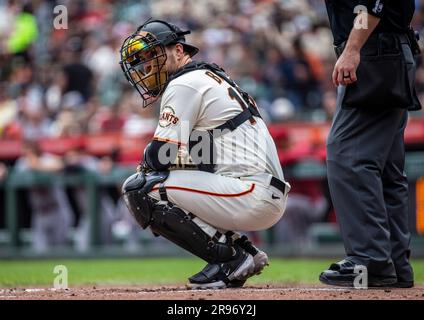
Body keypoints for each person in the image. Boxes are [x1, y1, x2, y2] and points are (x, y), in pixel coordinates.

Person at [119, 19, 290, 289]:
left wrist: (147, 168)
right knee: (166, 179)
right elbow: (202, 162)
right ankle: (243, 253)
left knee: (140, 189)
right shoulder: (208, 78)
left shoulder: (185, 82)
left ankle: (231, 259)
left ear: (178, 51)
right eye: (142, 60)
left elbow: (160, 154)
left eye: (153, 55)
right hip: (256, 190)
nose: (147, 66)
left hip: (249, 191)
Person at [320, 1, 422, 288]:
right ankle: (394, 264)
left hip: (374, 53)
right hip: (388, 53)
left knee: (348, 159)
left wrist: (352, 49)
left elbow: (373, 5)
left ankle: (370, 261)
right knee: (386, 170)